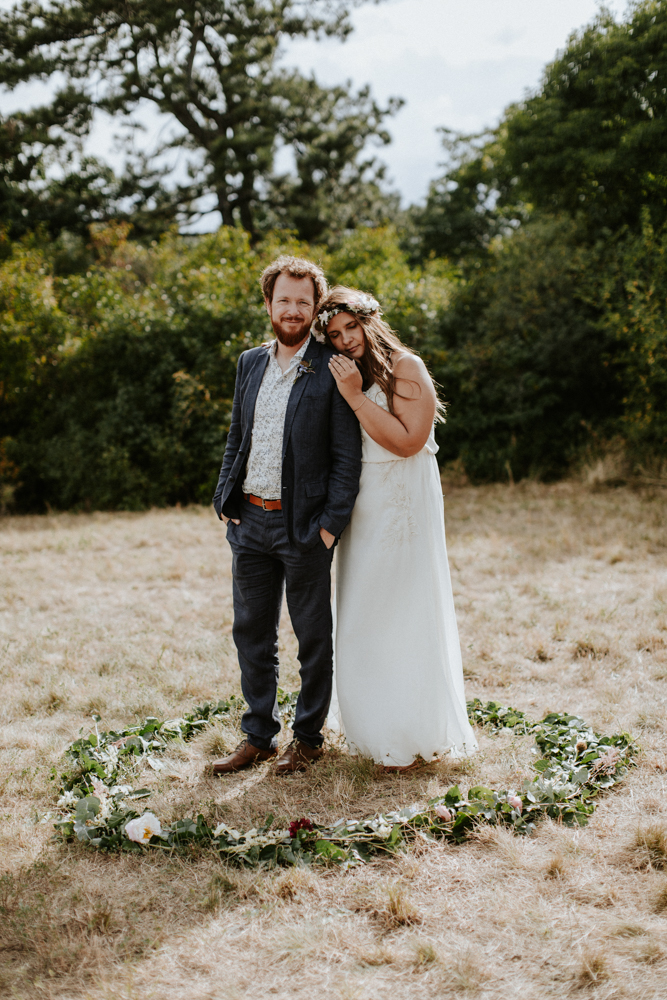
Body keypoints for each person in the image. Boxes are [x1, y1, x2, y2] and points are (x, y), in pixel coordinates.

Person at [315, 286, 478, 770]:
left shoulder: (407, 366)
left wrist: (353, 398)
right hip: (364, 503)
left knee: (403, 607)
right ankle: (370, 730)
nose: (345, 340)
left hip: (404, 499)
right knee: (363, 609)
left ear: (370, 321)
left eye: (351, 328)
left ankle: (412, 732)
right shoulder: (347, 371)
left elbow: (410, 441)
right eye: (335, 334)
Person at [211, 258, 362, 775]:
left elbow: (347, 458)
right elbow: (237, 434)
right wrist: (223, 500)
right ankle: (258, 735)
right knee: (252, 632)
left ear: (315, 307)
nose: (292, 310)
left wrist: (329, 526)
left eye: (303, 301)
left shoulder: (332, 368)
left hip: (305, 528)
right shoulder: (249, 362)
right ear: (269, 304)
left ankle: (308, 738)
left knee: (312, 635)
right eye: (284, 300)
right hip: (248, 521)